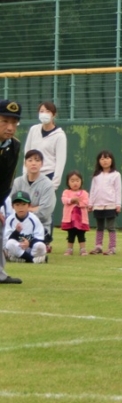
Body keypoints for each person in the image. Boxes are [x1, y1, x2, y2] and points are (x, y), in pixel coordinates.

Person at [11, 149, 56, 250]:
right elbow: (10, 206)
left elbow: (45, 212)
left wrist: (22, 210)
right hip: (17, 226)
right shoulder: (17, 182)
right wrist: (31, 208)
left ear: (42, 164)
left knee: (31, 247)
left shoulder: (47, 184)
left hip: (39, 227)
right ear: (25, 163)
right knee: (9, 243)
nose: (33, 163)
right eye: (30, 160)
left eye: (37, 160)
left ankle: (41, 245)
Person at [0, 99, 23, 284]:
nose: (10, 127)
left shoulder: (14, 146)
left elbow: (6, 181)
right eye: (5, 122)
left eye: (14, 123)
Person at [24, 101, 68, 191]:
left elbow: (60, 162)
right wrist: (25, 175)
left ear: (54, 115)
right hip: (31, 175)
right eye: (41, 111)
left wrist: (54, 185)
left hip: (48, 176)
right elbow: (27, 152)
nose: (44, 114)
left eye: (48, 111)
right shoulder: (33, 130)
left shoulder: (60, 136)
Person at [88, 150, 122, 255]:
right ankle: (98, 246)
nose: (105, 161)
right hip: (98, 205)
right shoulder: (96, 176)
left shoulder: (116, 175)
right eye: (102, 159)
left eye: (107, 158)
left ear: (112, 160)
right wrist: (90, 203)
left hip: (110, 205)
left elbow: (118, 190)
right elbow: (93, 190)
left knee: (111, 227)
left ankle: (112, 247)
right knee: (99, 227)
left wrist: (118, 204)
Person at [3, 191, 47, 264]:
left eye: (24, 204)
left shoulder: (34, 219)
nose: (20, 207)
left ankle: (21, 259)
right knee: (10, 244)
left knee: (41, 246)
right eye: (17, 204)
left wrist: (29, 243)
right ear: (12, 206)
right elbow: (8, 240)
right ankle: (32, 260)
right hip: (18, 248)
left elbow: (40, 238)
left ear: (29, 205)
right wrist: (16, 232)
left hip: (30, 248)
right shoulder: (10, 220)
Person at [61, 170, 90, 256]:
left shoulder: (84, 193)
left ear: (81, 181)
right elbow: (64, 200)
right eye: (72, 181)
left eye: (77, 180)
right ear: (68, 182)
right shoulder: (66, 192)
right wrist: (71, 200)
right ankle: (69, 249)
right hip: (70, 219)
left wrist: (78, 202)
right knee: (71, 234)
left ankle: (83, 249)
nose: (75, 183)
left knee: (81, 234)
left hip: (81, 219)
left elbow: (86, 202)